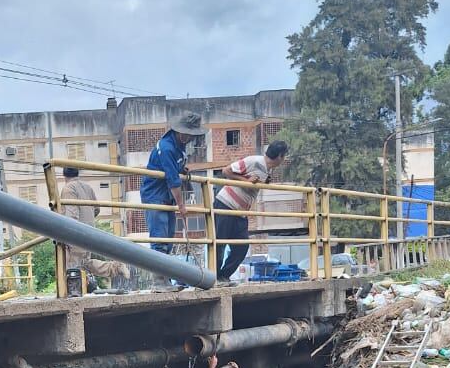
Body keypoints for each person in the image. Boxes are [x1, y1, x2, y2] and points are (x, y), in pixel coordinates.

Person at [213, 140, 290, 282]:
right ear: (279, 156)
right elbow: (226, 171)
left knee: (242, 247)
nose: (283, 159)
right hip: (226, 204)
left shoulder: (267, 170)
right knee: (219, 243)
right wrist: (245, 180)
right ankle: (214, 278)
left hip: (240, 212)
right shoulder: (254, 161)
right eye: (284, 156)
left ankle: (223, 276)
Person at [139, 111, 205, 260]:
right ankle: (159, 279)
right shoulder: (167, 147)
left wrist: (182, 169)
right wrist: (181, 205)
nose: (192, 139)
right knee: (160, 240)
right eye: (191, 135)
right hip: (155, 196)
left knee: (169, 240)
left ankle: (165, 277)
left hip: (167, 197)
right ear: (182, 133)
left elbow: (174, 169)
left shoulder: (178, 146)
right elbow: (173, 180)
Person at [58, 166, 126, 295]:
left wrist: (67, 236)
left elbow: (71, 215)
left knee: (72, 266)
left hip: (76, 233)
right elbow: (97, 209)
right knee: (85, 263)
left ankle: (74, 294)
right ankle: (115, 267)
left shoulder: (68, 189)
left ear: (64, 176)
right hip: (89, 232)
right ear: (78, 173)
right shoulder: (87, 187)